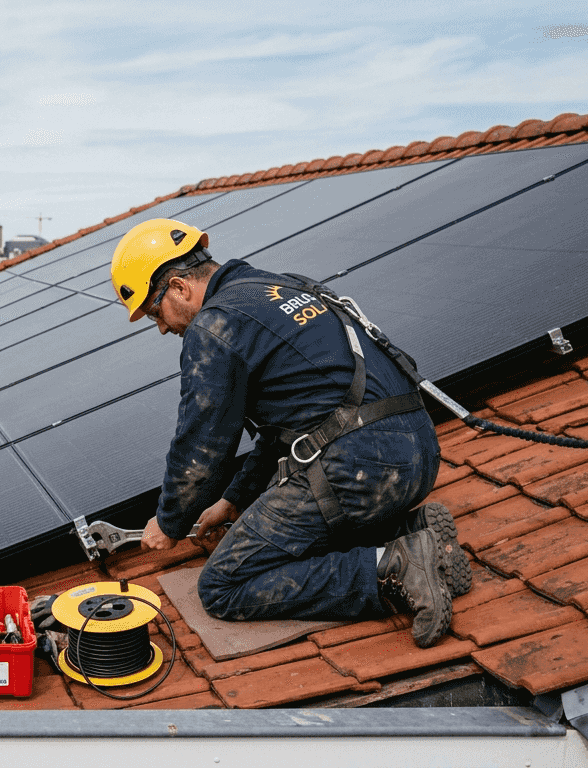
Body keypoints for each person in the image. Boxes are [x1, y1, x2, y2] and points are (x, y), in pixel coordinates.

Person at [110, 218, 469, 647]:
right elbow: (293, 425)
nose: (163, 328)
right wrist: (234, 500)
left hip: (361, 468)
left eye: (155, 313)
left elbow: (202, 445)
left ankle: (394, 567)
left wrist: (170, 522)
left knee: (223, 585)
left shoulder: (215, 326)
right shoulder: (285, 287)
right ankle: (407, 530)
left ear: (178, 287)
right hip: (419, 452)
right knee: (294, 536)